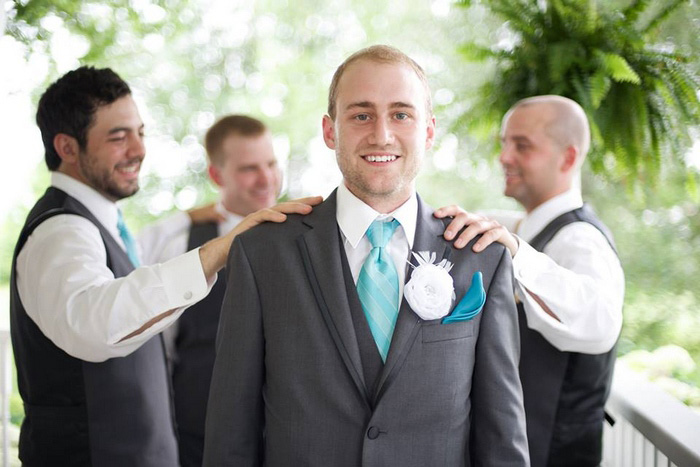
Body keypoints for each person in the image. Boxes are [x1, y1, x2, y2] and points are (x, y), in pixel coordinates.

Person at [203, 45, 529, 466]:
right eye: (360, 115)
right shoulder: (262, 253)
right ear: (329, 131)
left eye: (400, 115)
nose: (381, 134)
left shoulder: (480, 255)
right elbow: (231, 433)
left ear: (428, 131)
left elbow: (502, 436)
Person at [9, 66, 319, 466]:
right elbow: (95, 323)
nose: (138, 150)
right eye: (119, 137)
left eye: (140, 133)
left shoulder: (102, 226)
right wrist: (219, 250)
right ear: (68, 148)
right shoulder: (61, 230)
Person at [436, 95, 624, 466]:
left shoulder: (579, 238)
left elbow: (601, 322)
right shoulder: (523, 226)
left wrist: (519, 254)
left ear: (568, 158)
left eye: (521, 145)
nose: (504, 157)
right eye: (504, 144)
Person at [138, 114, 282, 466]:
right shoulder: (177, 242)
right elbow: (155, 350)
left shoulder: (302, 234)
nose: (266, 179)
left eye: (272, 163)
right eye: (249, 168)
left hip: (286, 440)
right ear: (216, 176)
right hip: (196, 440)